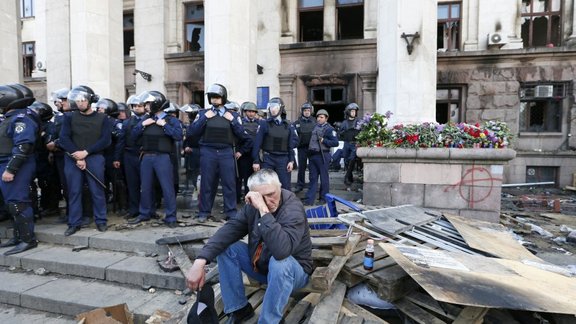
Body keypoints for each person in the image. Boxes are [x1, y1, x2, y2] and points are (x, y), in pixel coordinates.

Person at [185, 169, 312, 324]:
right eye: (261, 197)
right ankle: (239, 309)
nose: (268, 201)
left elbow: (282, 251)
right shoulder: (252, 206)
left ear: (280, 187)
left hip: (294, 274)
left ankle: (269, 321)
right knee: (227, 248)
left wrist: (264, 211)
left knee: (280, 263)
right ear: (252, 195)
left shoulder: (293, 208)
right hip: (264, 267)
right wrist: (200, 261)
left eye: (272, 194)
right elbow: (229, 231)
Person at [187, 84, 251, 222]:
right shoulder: (203, 114)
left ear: (223, 98)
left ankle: (231, 212)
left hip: (226, 152)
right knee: (207, 183)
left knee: (229, 183)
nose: (214, 100)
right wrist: (204, 119)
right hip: (208, 151)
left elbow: (242, 135)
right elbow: (192, 133)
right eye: (212, 97)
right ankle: (204, 212)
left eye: (217, 97)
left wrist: (232, 120)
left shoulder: (233, 115)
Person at [59, 85, 111, 236]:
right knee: (74, 191)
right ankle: (74, 223)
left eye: (83, 100)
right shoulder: (69, 117)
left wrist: (86, 152)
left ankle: (101, 220)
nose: (80, 103)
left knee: (97, 190)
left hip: (94, 157)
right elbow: (64, 139)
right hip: (72, 158)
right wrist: (76, 154)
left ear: (90, 101)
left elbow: (105, 140)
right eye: (77, 101)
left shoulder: (102, 118)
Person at [127, 91, 182, 228]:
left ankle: (170, 217)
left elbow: (178, 136)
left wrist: (164, 125)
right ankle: (144, 213)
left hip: (162, 157)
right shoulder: (145, 119)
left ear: (156, 104)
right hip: (146, 157)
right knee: (145, 187)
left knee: (167, 187)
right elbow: (132, 137)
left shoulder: (171, 120)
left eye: (148, 104)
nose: (145, 107)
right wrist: (142, 125)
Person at [0, 84, 39, 255]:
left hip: (15, 164)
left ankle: (27, 239)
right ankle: (18, 236)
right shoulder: (11, 117)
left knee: (18, 203)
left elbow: (23, 146)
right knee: (11, 203)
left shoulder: (21, 119)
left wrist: (11, 169)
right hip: (6, 162)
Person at [252, 97, 298, 190]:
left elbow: (290, 145)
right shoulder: (264, 124)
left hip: (283, 159)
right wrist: (256, 161)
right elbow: (257, 144)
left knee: (284, 186)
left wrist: (291, 161)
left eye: (275, 107)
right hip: (268, 159)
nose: (273, 109)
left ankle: (285, 204)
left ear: (281, 109)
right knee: (266, 185)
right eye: (271, 107)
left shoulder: (288, 125)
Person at [118, 95, 147, 219]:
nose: (137, 108)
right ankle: (134, 209)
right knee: (132, 184)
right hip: (129, 155)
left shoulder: (151, 119)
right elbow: (121, 141)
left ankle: (148, 209)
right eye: (134, 106)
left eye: (139, 106)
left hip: (145, 155)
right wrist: (116, 158)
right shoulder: (127, 122)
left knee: (146, 184)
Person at [304, 109, 339, 206]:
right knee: (312, 178)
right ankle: (309, 200)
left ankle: (323, 198)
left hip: (323, 155)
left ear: (326, 118)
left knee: (324, 179)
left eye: (321, 117)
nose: (319, 119)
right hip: (313, 155)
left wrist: (324, 141)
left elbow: (335, 142)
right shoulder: (314, 127)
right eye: (318, 117)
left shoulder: (330, 129)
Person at [236, 101, 259, 202]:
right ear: (245, 112)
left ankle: (248, 199)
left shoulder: (259, 123)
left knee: (250, 180)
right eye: (249, 111)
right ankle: (237, 198)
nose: (251, 113)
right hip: (242, 155)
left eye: (253, 112)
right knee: (239, 178)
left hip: (254, 155)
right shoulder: (240, 123)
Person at [292, 102, 316, 192]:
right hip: (302, 148)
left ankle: (312, 184)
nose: (306, 112)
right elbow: (293, 136)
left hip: (312, 148)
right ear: (302, 111)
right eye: (305, 110)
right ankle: (300, 184)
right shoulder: (297, 123)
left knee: (312, 167)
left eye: (308, 110)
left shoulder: (315, 122)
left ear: (311, 111)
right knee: (301, 167)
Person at [340, 103, 361, 185]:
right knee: (346, 160)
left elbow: (361, 131)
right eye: (352, 111)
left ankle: (347, 177)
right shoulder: (344, 122)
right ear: (348, 112)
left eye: (354, 111)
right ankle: (350, 176)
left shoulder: (358, 121)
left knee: (352, 159)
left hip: (354, 143)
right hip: (346, 143)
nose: (353, 113)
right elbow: (340, 133)